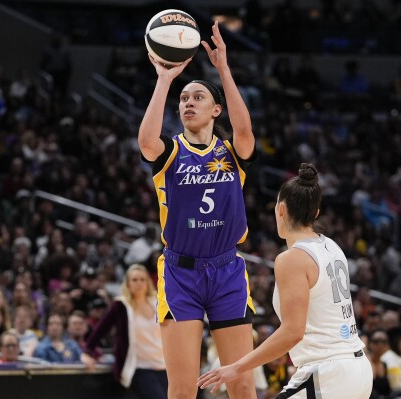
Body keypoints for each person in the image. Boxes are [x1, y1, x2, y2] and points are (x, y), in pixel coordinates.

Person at [138, 20, 257, 399]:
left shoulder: (231, 152)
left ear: (216, 109)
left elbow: (245, 134)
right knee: (183, 388)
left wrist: (222, 67)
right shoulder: (171, 152)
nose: (188, 102)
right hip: (180, 273)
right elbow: (145, 141)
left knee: (241, 382)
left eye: (197, 97)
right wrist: (164, 80)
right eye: (184, 98)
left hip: (227, 270)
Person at [198, 163, 373, 399]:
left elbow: (293, 332)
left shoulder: (292, 259)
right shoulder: (332, 246)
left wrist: (237, 367)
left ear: (280, 209)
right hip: (358, 370)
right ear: (316, 213)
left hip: (328, 373)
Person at [85, 264, 167, 399]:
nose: (139, 283)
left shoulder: (157, 302)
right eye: (134, 280)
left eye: (142, 279)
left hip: (163, 366)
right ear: (128, 283)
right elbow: (101, 328)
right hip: (139, 368)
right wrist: (87, 351)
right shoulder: (121, 305)